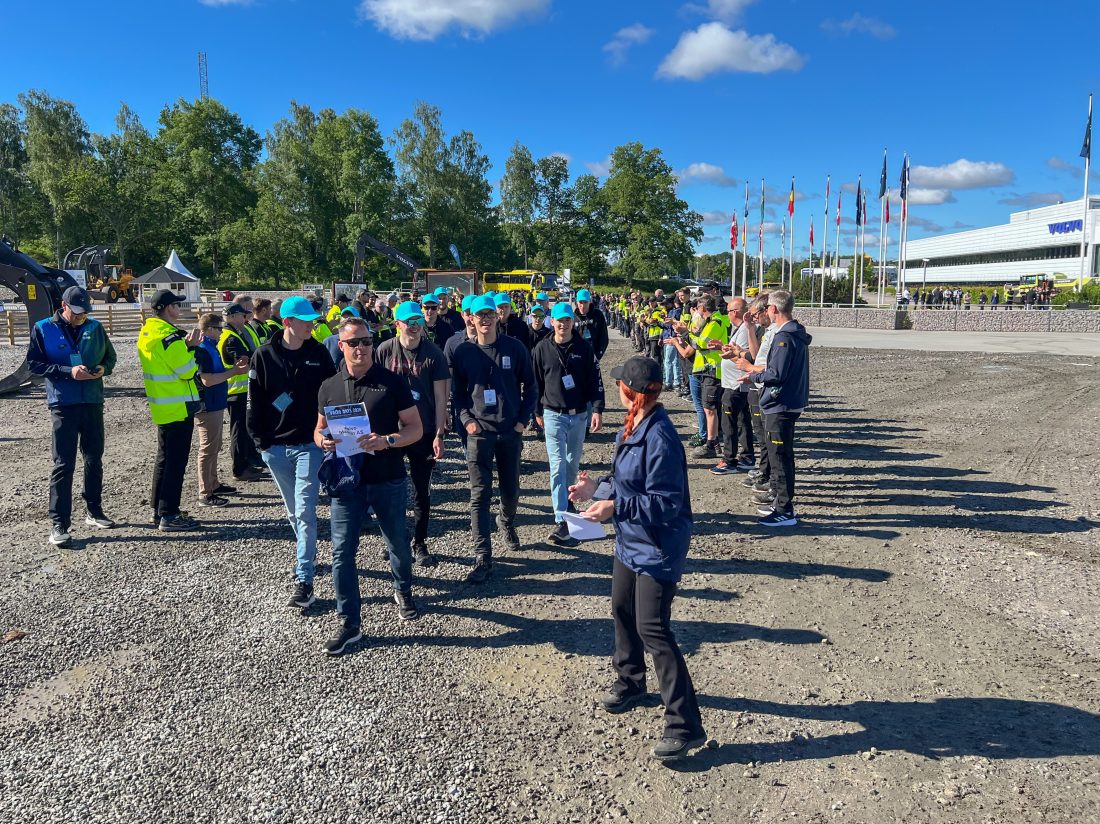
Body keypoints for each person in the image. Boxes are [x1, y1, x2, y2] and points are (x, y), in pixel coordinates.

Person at [569, 355, 706, 761]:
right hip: (630, 542)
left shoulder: (660, 436)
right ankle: (630, 681)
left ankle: (685, 725)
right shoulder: (634, 423)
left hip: (658, 547)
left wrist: (615, 508)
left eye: (620, 384)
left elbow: (665, 503)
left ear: (631, 391)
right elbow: (625, 481)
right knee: (620, 609)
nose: (616, 388)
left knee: (654, 631)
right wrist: (597, 487)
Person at [316, 317, 424, 655]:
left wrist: (388, 440)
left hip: (387, 478)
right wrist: (323, 441)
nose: (361, 348)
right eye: (353, 343)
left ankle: (403, 589)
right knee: (341, 552)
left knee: (397, 544)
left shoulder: (391, 383)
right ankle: (349, 621)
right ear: (341, 346)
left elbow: (415, 428)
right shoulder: (329, 386)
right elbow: (318, 429)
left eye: (366, 341)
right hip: (347, 483)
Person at [248, 295, 337, 608]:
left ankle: (304, 578)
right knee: (293, 511)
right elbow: (254, 402)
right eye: (306, 320)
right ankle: (308, 553)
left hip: (308, 445)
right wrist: (260, 443)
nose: (313, 324)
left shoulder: (319, 353)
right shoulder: (263, 355)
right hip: (275, 448)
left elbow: (332, 394)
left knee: (304, 509)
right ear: (288, 322)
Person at [449, 295, 537, 583]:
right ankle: (482, 557)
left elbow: (531, 386)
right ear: (470, 318)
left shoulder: (514, 347)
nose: (484, 319)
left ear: (497, 317)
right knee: (479, 495)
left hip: (510, 431)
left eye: (489, 314)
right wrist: (466, 421)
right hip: (479, 434)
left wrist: (523, 420)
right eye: (479, 315)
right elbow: (458, 395)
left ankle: (507, 520)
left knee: (510, 491)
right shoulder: (463, 352)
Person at [27, 285, 117, 547]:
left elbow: (111, 358)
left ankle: (94, 510)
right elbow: (34, 364)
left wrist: (102, 368)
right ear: (64, 306)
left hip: (92, 401)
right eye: (77, 313)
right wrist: (68, 371)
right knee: (63, 464)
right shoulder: (43, 328)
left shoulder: (95, 327)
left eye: (85, 313)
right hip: (63, 404)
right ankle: (59, 524)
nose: (81, 317)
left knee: (94, 458)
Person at [376, 302, 450, 567]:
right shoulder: (385, 350)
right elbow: (375, 390)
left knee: (421, 491)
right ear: (398, 324)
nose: (416, 325)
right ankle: (393, 540)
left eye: (418, 319)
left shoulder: (434, 354)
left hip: (424, 430)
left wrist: (439, 433)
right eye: (409, 321)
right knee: (390, 490)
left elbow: (441, 398)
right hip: (392, 432)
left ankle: (420, 542)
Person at [531, 302, 604, 547]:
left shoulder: (584, 348)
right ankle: (561, 517)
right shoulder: (541, 348)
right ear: (552, 322)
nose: (563, 325)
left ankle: (568, 500)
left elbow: (595, 380)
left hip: (579, 415)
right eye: (559, 320)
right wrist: (536, 411)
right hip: (553, 413)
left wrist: (598, 409)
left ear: (573, 322)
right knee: (557, 464)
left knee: (572, 464)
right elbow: (535, 382)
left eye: (568, 320)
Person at [737, 290, 810, 527]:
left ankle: (784, 510)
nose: (765, 310)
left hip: (780, 404)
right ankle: (779, 502)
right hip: (782, 402)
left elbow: (776, 374)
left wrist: (752, 371)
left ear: (775, 309)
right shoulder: (788, 334)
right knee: (779, 455)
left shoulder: (785, 338)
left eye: (767, 306)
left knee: (780, 457)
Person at [137, 289, 203, 531]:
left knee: (164, 459)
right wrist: (192, 347)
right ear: (167, 308)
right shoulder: (170, 337)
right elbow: (186, 370)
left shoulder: (147, 332)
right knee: (175, 463)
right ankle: (169, 514)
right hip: (178, 406)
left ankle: (158, 510)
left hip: (162, 405)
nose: (179, 309)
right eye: (176, 305)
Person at [193, 313, 249, 508]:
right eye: (218, 329)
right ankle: (205, 492)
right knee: (207, 448)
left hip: (215, 402)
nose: (221, 332)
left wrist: (233, 368)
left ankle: (213, 484)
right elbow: (207, 380)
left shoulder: (211, 347)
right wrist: (234, 372)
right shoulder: (203, 349)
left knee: (214, 447)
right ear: (209, 329)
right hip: (207, 404)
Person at [219, 303, 266, 482]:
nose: (244, 318)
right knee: (238, 431)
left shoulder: (233, 334)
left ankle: (245, 464)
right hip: (235, 390)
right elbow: (240, 363)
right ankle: (239, 469)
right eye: (240, 315)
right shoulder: (230, 337)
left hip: (239, 389)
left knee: (243, 429)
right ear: (231, 316)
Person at [713, 298, 754, 476]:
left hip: (736, 384)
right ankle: (746, 456)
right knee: (742, 421)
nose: (727, 314)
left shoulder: (744, 330)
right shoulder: (740, 330)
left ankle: (729, 459)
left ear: (734, 312)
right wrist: (722, 348)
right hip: (735, 383)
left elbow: (745, 358)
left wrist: (728, 353)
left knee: (729, 423)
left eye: (729, 311)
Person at [573, 289, 609, 361]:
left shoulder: (598, 315)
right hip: (577, 358)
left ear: (590, 301)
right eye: (580, 302)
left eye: (585, 302)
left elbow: (604, 337)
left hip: (593, 356)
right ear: (577, 302)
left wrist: (598, 355)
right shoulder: (573, 317)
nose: (582, 306)